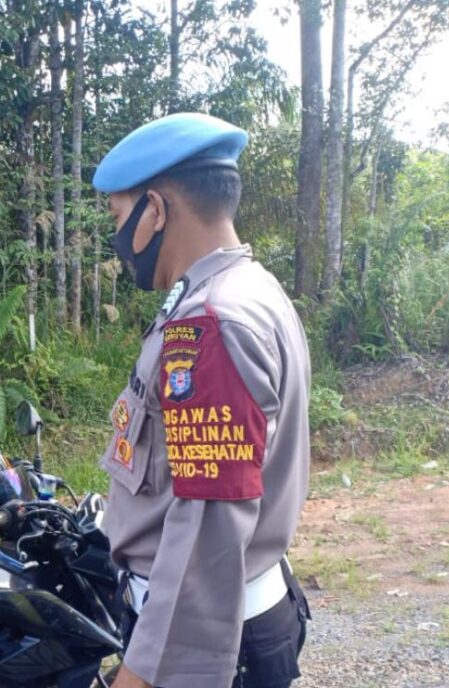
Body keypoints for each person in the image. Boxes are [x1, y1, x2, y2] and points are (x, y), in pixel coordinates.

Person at [93, 113, 312, 688]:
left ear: (157, 210)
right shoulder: (248, 289)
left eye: (119, 218)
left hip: (206, 637)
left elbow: (207, 522)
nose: (118, 239)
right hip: (234, 617)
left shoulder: (211, 323)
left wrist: (144, 672)